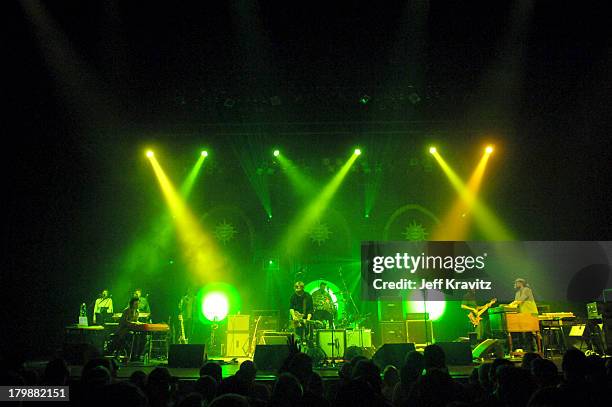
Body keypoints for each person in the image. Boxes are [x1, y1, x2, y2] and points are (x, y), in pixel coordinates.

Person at [509, 278, 538, 352]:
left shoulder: (527, 290)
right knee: (525, 332)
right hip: (523, 314)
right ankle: (527, 349)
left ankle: (534, 349)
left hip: (531, 313)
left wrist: (512, 304)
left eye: (516, 283)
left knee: (530, 332)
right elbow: (516, 304)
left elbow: (521, 300)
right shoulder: (517, 293)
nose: (514, 284)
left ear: (521, 283)